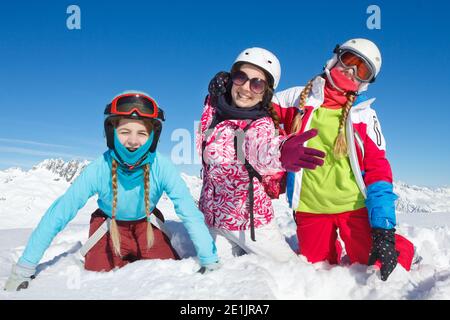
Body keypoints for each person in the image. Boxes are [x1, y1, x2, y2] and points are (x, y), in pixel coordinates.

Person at [5, 91, 219, 292]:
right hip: (108, 227)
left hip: (148, 226)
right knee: (99, 278)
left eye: (141, 133)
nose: (133, 141)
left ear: (153, 136)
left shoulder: (162, 167)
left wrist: (209, 259)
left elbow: (188, 211)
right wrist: (25, 267)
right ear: (112, 132)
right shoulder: (99, 168)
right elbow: (60, 212)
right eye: (125, 131)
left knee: (167, 273)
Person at [270, 38, 416, 281]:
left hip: (353, 208)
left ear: (365, 83)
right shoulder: (295, 99)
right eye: (349, 60)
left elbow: (378, 170)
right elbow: (254, 104)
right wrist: (227, 94)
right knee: (316, 268)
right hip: (310, 207)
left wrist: (383, 231)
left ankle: (407, 248)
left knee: (378, 263)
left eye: (362, 70)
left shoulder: (364, 116)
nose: (351, 71)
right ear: (335, 58)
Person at [197, 48, 326, 263]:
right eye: (241, 77)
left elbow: (261, 148)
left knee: (292, 272)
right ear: (230, 80)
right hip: (213, 220)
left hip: (252, 225)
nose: (246, 88)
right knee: (210, 276)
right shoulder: (213, 106)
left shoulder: (260, 124)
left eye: (257, 84)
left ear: (265, 92)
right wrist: (215, 92)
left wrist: (281, 151)